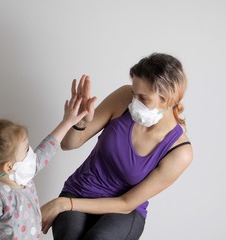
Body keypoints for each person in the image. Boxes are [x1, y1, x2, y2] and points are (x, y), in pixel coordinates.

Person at [40, 53, 194, 240]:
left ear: (168, 99)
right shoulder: (123, 98)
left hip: (124, 211)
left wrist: (63, 204)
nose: (134, 102)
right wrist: (78, 121)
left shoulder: (179, 152)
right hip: (80, 191)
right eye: (133, 94)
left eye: (143, 98)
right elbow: (69, 144)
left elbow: (126, 203)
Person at [0, 94, 88, 240]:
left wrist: (67, 122)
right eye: (26, 150)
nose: (32, 154)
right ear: (9, 167)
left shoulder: (24, 177)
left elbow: (46, 150)